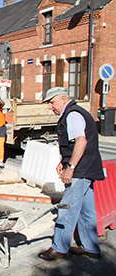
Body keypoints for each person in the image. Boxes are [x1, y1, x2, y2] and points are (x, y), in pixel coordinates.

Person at [38, 87, 105, 261]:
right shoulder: (72, 113)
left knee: (67, 208)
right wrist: (64, 161)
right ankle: (90, 247)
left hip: (81, 169)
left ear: (63, 98)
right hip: (86, 167)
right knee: (86, 209)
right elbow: (73, 143)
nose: (50, 107)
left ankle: (59, 247)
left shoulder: (72, 114)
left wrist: (71, 167)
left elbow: (81, 142)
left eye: (52, 102)